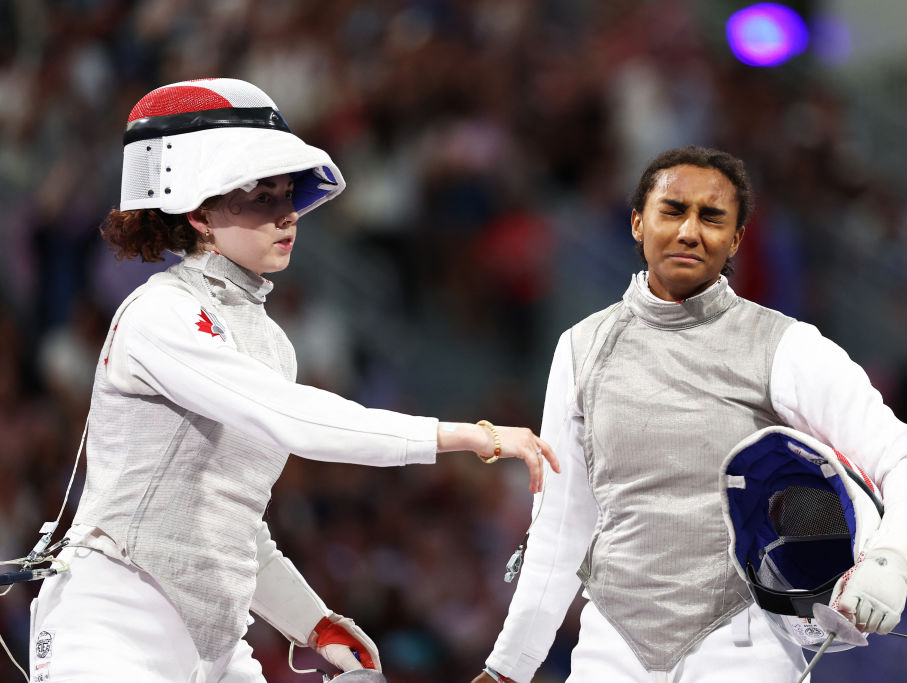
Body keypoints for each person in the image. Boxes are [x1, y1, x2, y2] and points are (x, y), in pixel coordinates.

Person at [25, 78, 559, 683]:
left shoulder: (269, 341)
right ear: (198, 212)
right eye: (258, 196)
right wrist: (469, 436)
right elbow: (290, 418)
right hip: (112, 627)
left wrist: (313, 623)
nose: (286, 213)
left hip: (215, 644)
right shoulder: (159, 314)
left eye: (287, 193)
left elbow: (229, 524)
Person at [473, 146, 907, 682]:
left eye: (712, 217)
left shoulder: (783, 346)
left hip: (745, 646)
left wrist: (890, 562)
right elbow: (561, 523)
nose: (690, 231)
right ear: (637, 223)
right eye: (672, 210)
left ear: (736, 239)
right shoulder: (581, 347)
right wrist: (509, 667)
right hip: (612, 647)